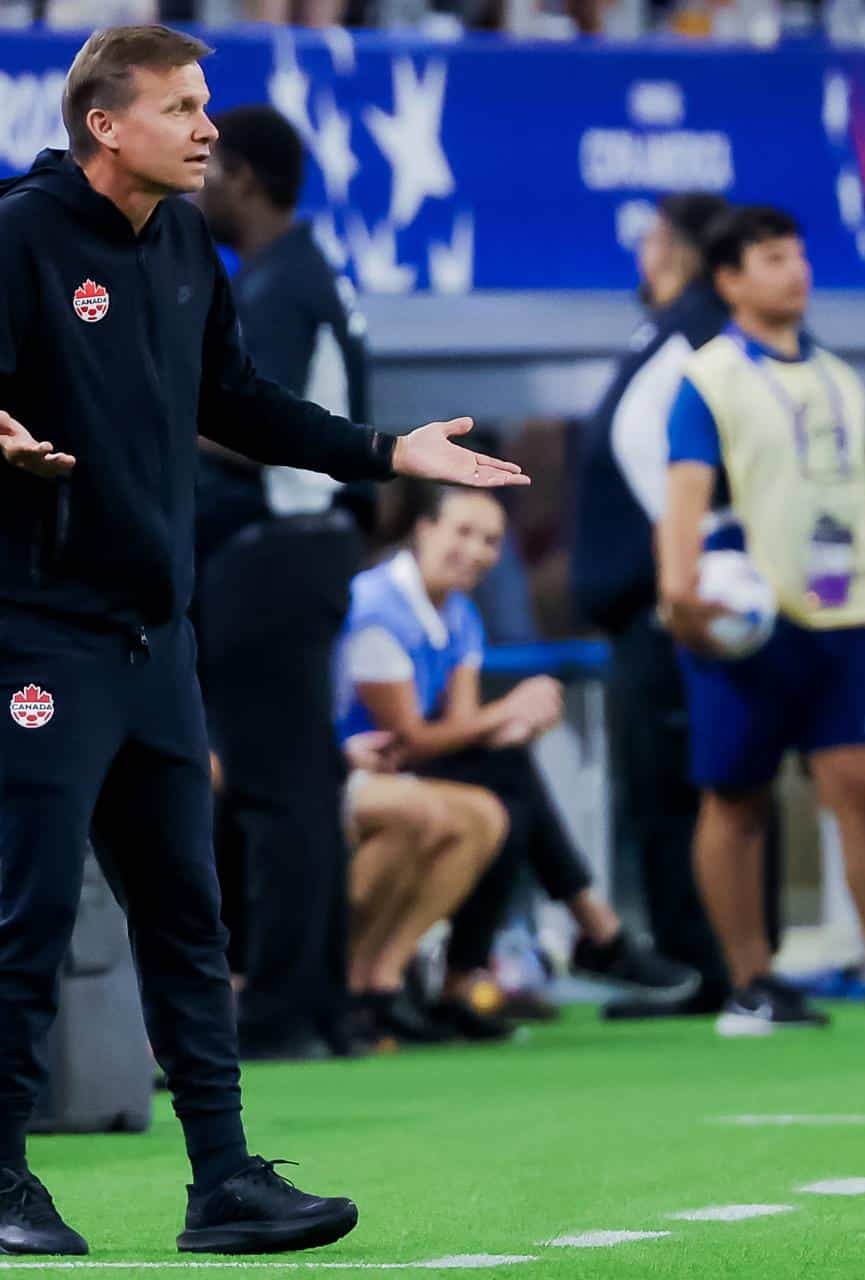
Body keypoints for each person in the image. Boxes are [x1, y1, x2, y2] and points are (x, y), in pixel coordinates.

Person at [0, 25, 525, 1259]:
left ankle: (224, 1178)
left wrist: (385, 450)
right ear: (106, 124)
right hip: (38, 630)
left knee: (189, 915)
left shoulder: (188, 241)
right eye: (183, 107)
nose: (208, 128)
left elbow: (238, 399)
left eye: (207, 106)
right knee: (34, 907)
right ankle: (4, 1187)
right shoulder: (20, 238)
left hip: (154, 637)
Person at [656, 205, 865, 1036]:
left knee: (864, 786)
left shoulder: (842, 377)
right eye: (773, 258)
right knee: (735, 797)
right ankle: (751, 981)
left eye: (800, 254)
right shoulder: (708, 379)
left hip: (849, 616)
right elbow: (686, 494)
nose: (796, 271)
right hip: (747, 620)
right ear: (730, 280)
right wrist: (679, 597)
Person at [337, 483, 699, 1041]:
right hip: (352, 771)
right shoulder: (378, 607)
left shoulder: (458, 612)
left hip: (405, 766)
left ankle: (440, 981)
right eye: (463, 533)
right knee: (507, 781)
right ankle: (587, 938)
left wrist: (508, 723)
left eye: (490, 540)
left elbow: (457, 728)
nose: (477, 551)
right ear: (424, 530)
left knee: (506, 787)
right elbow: (407, 738)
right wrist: (504, 712)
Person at [189, 104, 371, 1060]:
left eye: (211, 166)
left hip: (278, 548)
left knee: (273, 789)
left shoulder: (277, 285)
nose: (199, 182)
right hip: (310, 546)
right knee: (302, 780)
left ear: (246, 179)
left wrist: (147, 414)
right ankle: (325, 1003)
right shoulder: (302, 273)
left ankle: (284, 1008)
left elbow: (265, 423)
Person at [572, 191, 783, 1020]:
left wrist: (689, 577)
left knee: (693, 787)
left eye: (653, 240)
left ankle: (712, 964)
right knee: (705, 783)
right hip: (670, 605)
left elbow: (678, 474)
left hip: (682, 609)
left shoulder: (696, 341)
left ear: (682, 253)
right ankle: (731, 960)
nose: (643, 256)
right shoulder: (681, 336)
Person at [338, 729, 508, 1046]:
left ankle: (384, 978)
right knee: (415, 812)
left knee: (486, 812)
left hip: (347, 766)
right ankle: (347, 978)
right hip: (311, 771)